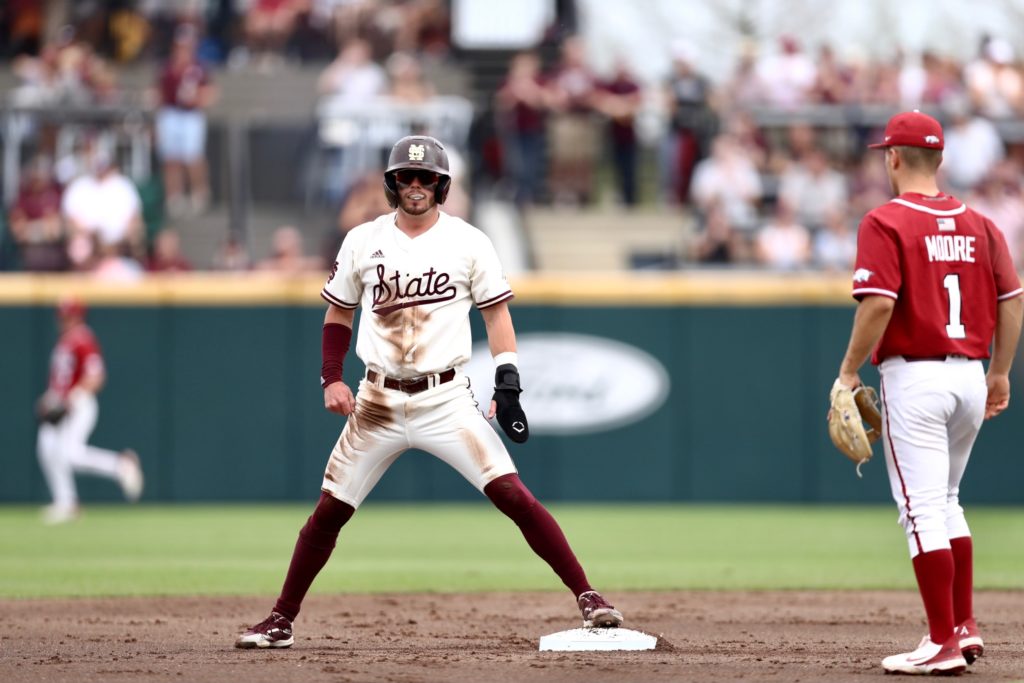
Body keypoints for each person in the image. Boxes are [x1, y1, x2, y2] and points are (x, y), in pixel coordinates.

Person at [236, 135, 623, 648]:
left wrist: (507, 382)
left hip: (444, 397)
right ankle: (281, 618)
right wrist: (331, 376)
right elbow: (338, 312)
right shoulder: (362, 239)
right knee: (330, 511)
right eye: (405, 177)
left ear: (441, 186)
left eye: (425, 179)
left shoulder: (468, 240)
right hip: (377, 399)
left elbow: (496, 315)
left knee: (512, 494)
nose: (415, 186)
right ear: (391, 184)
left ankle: (588, 595)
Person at [834, 111, 1023, 675]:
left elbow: (880, 303)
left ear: (893, 157)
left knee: (920, 511)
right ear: (938, 160)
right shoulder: (980, 223)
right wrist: (1000, 372)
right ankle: (961, 627)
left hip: (915, 378)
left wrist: (847, 373)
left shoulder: (885, 220)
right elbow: (1011, 301)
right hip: (969, 374)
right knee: (945, 504)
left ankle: (943, 641)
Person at [36, 298, 144, 524]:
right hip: (62, 402)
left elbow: (96, 376)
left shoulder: (84, 339)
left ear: (78, 316)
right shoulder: (66, 341)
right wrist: (50, 399)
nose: (64, 320)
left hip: (78, 404)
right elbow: (60, 380)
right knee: (46, 446)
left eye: (69, 316)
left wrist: (72, 398)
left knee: (70, 455)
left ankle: (121, 465)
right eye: (62, 316)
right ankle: (66, 502)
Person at [154, 24, 216, 218]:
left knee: (193, 156)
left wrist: (197, 99)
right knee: (171, 158)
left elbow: (210, 93)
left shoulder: (198, 69)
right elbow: (158, 93)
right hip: (170, 113)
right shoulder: (167, 68)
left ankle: (199, 194)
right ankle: (174, 195)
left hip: (190, 115)